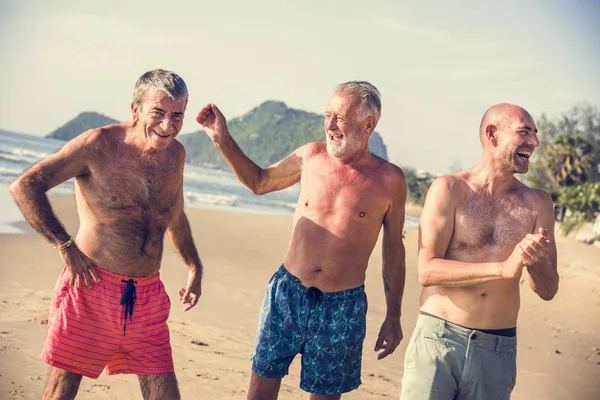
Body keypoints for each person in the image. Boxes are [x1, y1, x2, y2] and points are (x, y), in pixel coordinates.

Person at [196, 81, 407, 399]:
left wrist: (393, 317)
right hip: (287, 293)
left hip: (342, 307)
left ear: (368, 125)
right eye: (328, 115)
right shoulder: (311, 156)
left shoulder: (390, 180)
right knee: (260, 392)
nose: (331, 125)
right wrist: (221, 139)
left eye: (340, 118)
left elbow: (393, 251)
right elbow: (259, 181)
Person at [10, 69, 203, 400]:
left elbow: (174, 215)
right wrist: (65, 245)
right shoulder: (97, 145)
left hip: (147, 296)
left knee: (164, 393)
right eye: (158, 112)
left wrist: (194, 266)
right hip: (90, 289)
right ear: (135, 109)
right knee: (62, 389)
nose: (168, 125)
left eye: (177, 115)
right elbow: (26, 185)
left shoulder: (177, 155)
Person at [401, 103, 559, 399]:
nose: (535, 142)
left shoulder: (538, 203)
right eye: (525, 132)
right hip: (438, 339)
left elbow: (548, 289)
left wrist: (534, 261)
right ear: (492, 134)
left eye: (536, 134)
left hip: (497, 350)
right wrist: (503, 268)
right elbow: (427, 270)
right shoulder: (449, 189)